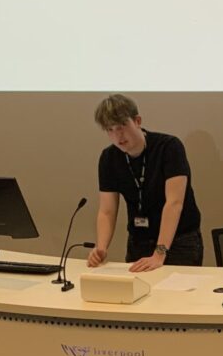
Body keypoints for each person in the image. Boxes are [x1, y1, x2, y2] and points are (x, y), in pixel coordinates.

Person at [87, 94, 203, 272]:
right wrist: (101, 248)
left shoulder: (169, 147)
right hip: (139, 241)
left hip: (179, 242)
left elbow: (174, 203)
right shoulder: (109, 158)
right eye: (110, 130)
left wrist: (160, 253)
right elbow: (107, 211)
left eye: (122, 126)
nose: (118, 135)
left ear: (137, 121)